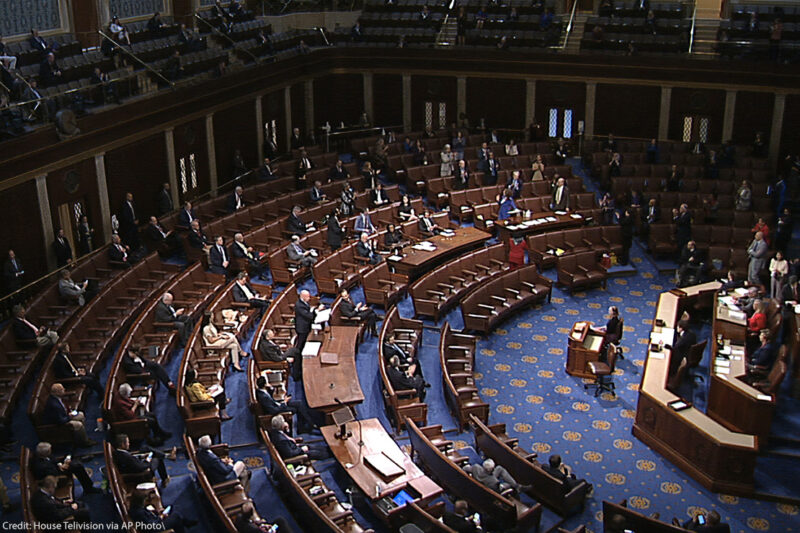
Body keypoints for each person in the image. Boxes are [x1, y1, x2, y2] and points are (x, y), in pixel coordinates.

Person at [31, 441, 99, 495]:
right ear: (45, 453)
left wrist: (60, 464)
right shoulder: (42, 465)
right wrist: (63, 466)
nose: (51, 452)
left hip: (55, 468)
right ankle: (89, 489)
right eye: (49, 451)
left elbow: (52, 458)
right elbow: (52, 473)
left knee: (75, 463)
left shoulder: (42, 455)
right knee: (77, 467)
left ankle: (88, 487)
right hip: (54, 477)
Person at [43, 383, 94, 448]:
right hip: (57, 424)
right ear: (57, 392)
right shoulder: (54, 405)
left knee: (81, 414)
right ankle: (84, 442)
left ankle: (81, 435)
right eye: (62, 389)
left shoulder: (56, 398)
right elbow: (61, 421)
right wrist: (69, 416)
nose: (64, 389)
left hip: (64, 416)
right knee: (78, 425)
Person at [129, 488, 195, 533]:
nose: (146, 502)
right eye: (145, 500)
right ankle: (185, 524)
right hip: (156, 529)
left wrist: (157, 513)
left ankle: (185, 522)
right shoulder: (139, 512)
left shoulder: (136, 508)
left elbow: (148, 517)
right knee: (176, 517)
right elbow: (151, 526)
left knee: (171, 509)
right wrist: (160, 517)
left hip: (155, 523)